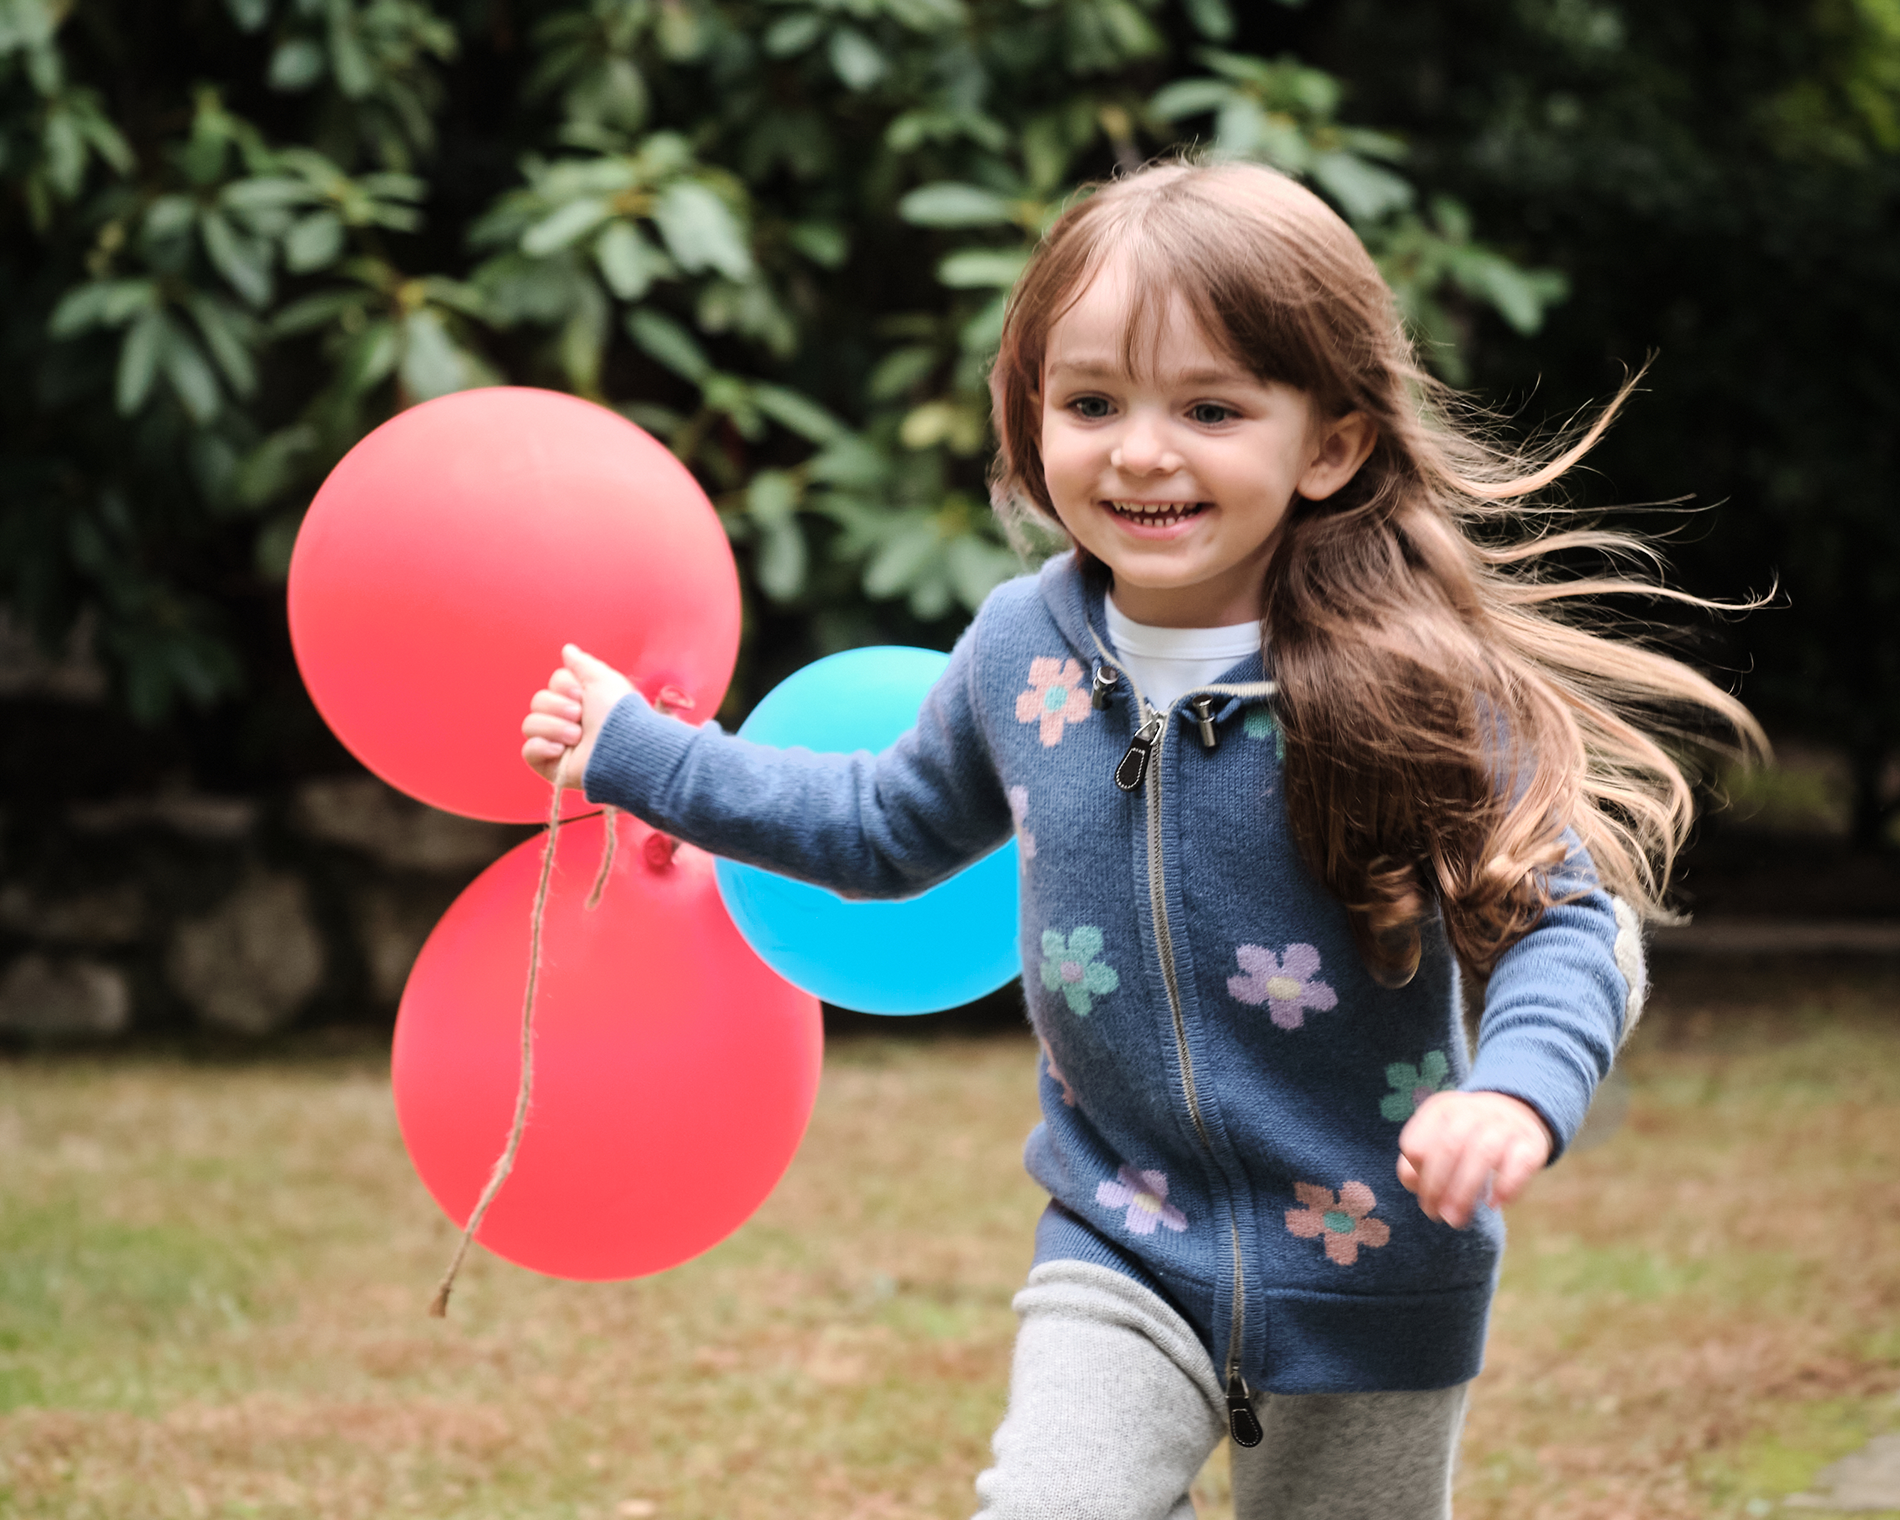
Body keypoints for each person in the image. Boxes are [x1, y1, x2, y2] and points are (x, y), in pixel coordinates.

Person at [519, 161, 1759, 1520]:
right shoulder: (1019, 651)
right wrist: (646, 755)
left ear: (1330, 443)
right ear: (1030, 414)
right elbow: (878, 829)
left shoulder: (1408, 678)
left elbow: (1564, 921)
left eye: (1211, 408)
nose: (1142, 451)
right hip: (1121, 1237)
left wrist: (1516, 1090)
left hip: (1377, 1264)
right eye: (1093, 402)